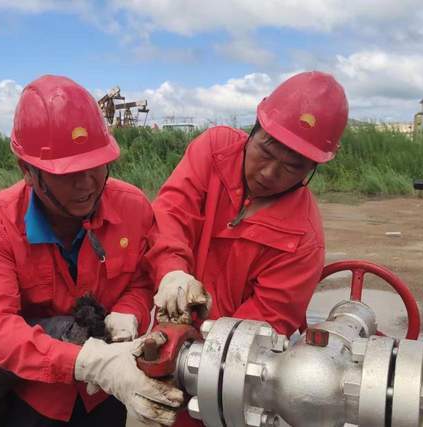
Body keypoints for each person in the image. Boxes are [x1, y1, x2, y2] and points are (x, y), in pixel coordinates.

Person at [0, 75, 183, 427]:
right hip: (34, 396)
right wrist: (86, 362)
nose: (87, 184)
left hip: (106, 397)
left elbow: (141, 280)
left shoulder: (133, 208)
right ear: (28, 172)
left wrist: (128, 313)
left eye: (96, 165)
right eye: (68, 173)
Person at [145, 71, 348, 424]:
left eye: (292, 167)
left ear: (313, 168)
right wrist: (172, 269)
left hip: (219, 379)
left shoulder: (303, 240)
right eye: (266, 150)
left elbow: (263, 326)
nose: (269, 172)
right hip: (155, 333)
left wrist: (192, 343)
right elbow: (171, 213)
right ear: (255, 129)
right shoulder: (213, 149)